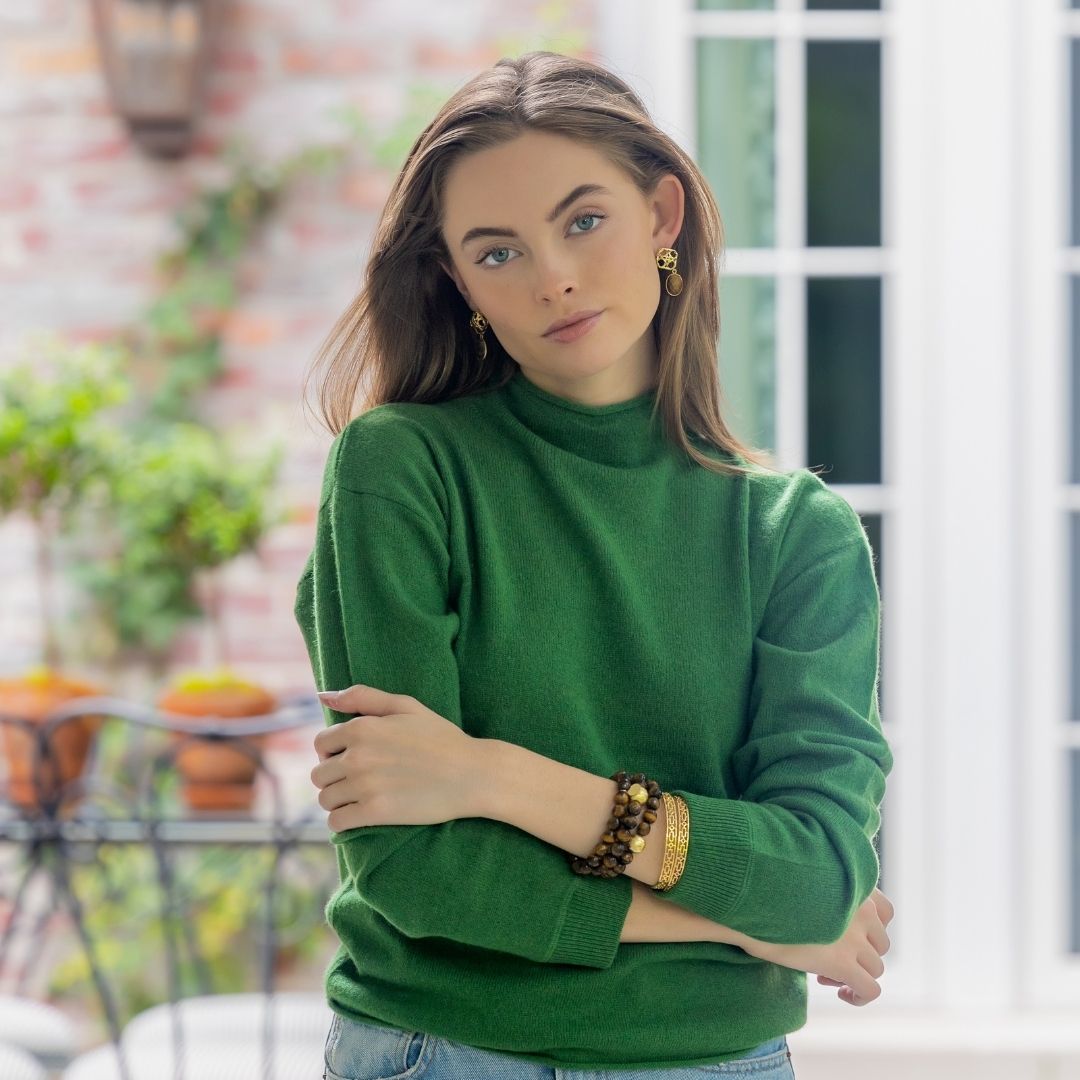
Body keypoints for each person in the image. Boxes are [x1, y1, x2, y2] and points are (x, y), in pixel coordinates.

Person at [295, 49, 895, 1080]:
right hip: (449, 1051)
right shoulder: (403, 468)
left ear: (662, 216)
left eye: (583, 221)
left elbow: (817, 877)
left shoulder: (797, 534)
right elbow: (416, 869)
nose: (554, 278)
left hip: (717, 1062)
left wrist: (492, 774)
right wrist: (752, 929)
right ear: (457, 283)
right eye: (497, 253)